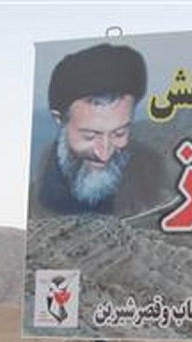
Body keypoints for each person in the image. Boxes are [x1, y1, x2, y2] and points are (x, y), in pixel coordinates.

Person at [30, 42, 168, 217]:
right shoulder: (36, 195)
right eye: (89, 136)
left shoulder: (153, 179)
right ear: (59, 119)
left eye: (119, 133)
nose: (104, 154)